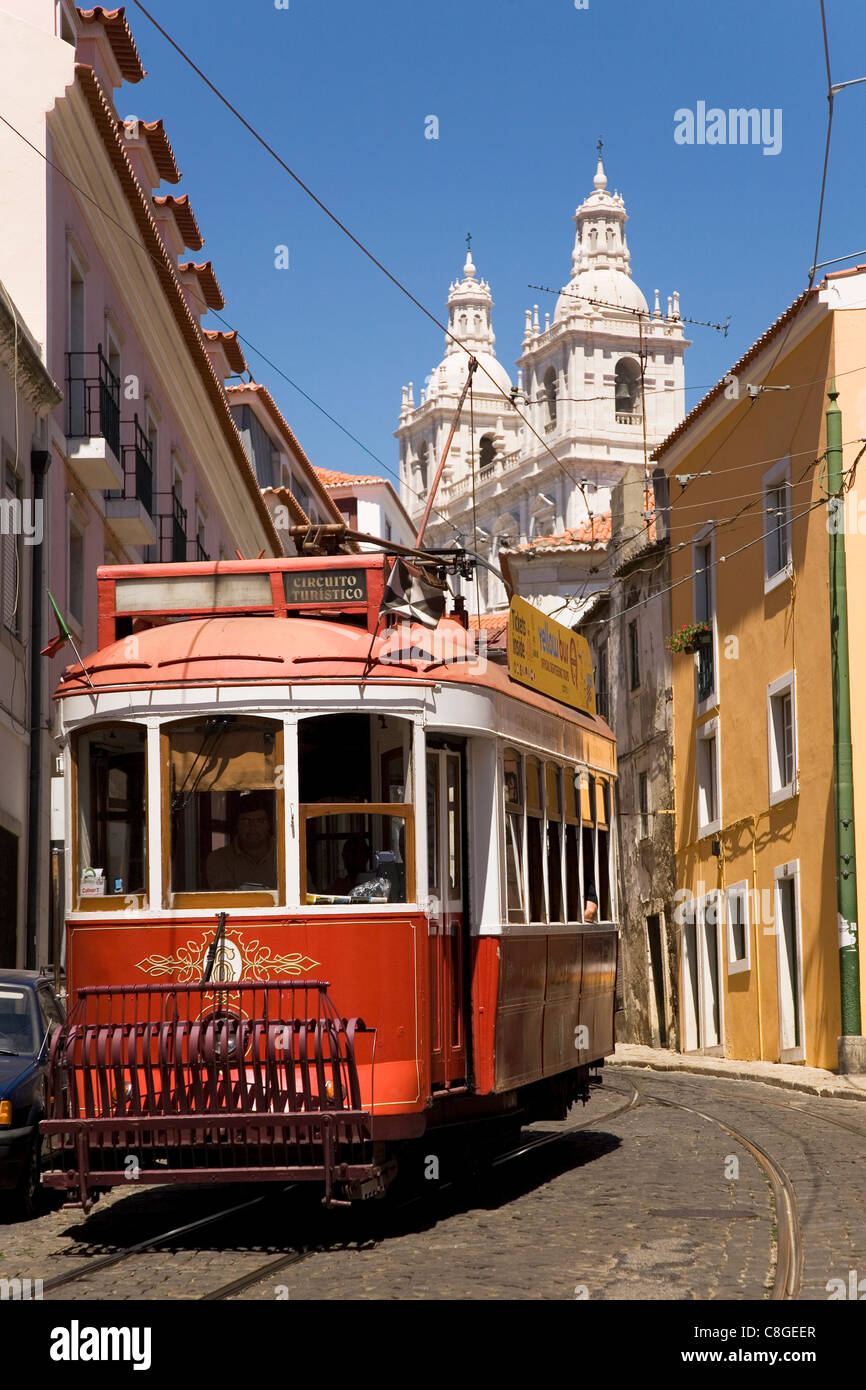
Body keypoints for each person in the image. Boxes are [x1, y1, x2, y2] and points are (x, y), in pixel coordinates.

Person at [206, 794, 278, 890]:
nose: (253, 827)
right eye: (246, 821)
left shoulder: (287, 855)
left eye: (260, 821)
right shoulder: (220, 858)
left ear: (269, 824)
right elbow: (227, 896)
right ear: (237, 825)